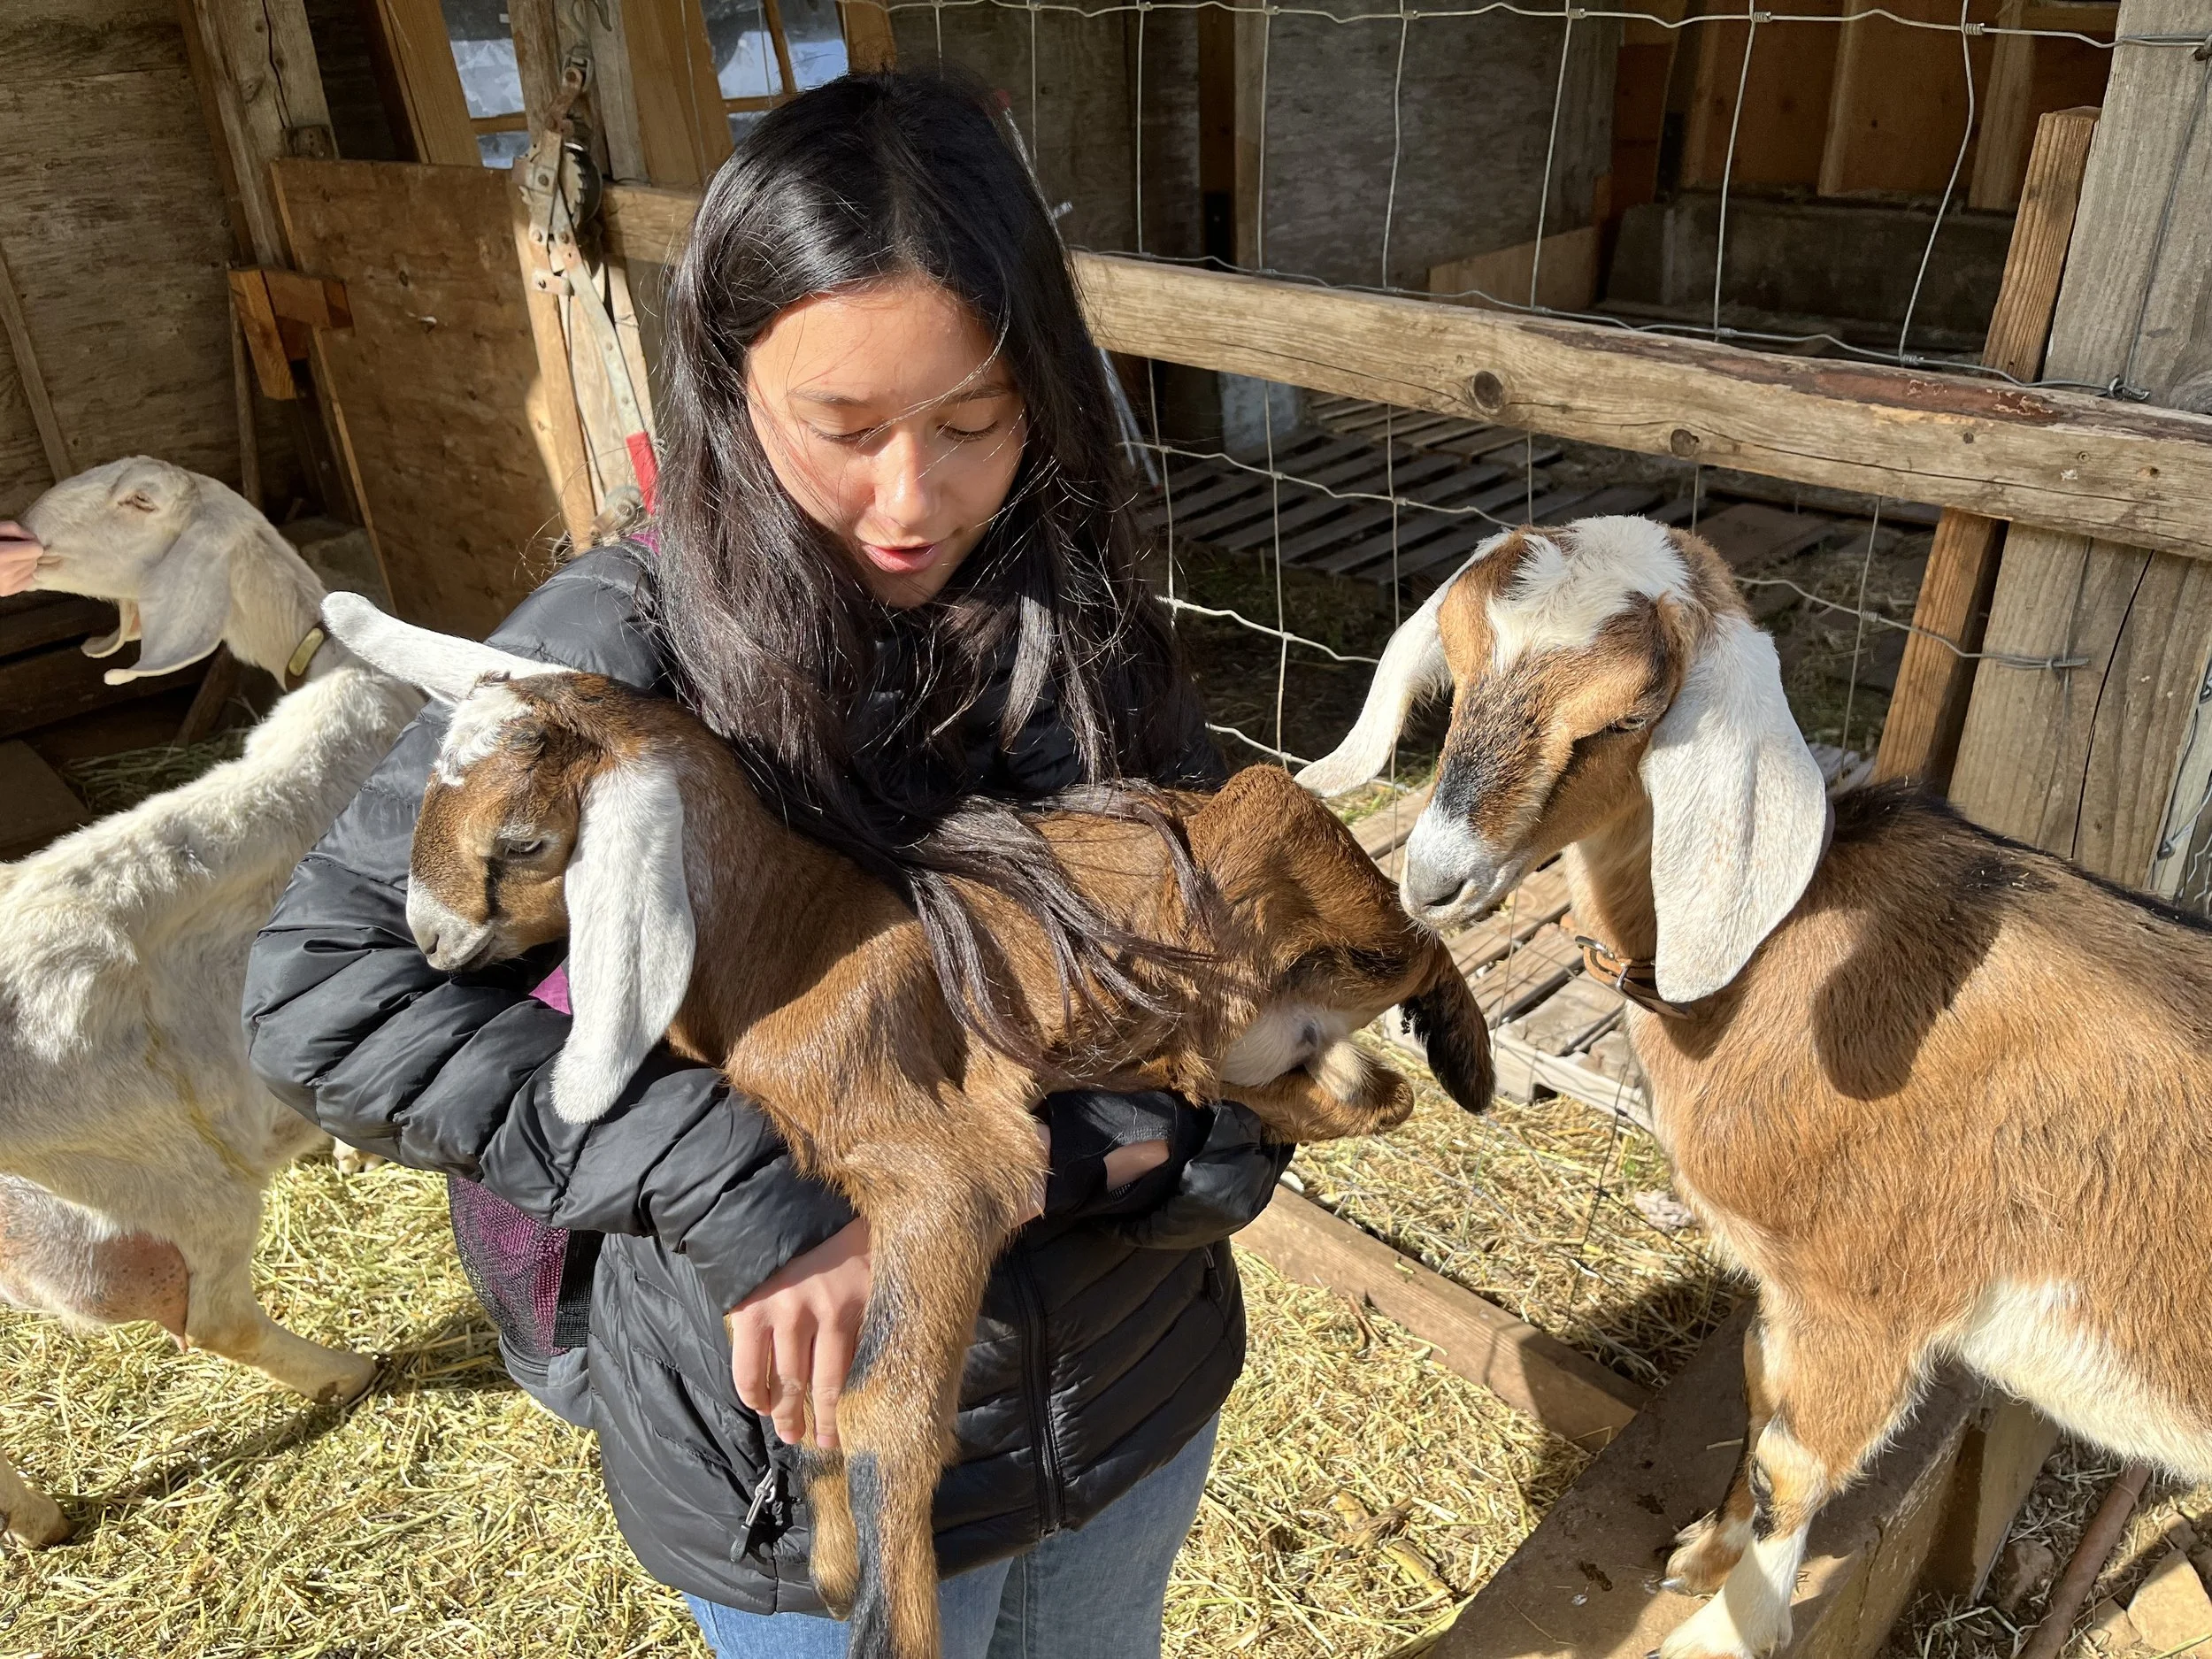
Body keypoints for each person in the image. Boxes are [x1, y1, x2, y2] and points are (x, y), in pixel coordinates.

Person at [243, 70, 1291, 1659]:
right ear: (731, 385)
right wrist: (753, 1193)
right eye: (845, 428)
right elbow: (327, 990)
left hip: (1120, 1398)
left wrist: (1184, 1134)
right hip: (803, 1465)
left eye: (974, 422)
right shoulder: (619, 654)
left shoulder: (1084, 625)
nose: (910, 497)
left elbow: (1223, 945)